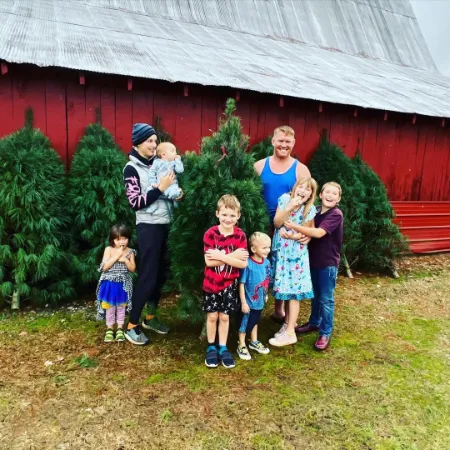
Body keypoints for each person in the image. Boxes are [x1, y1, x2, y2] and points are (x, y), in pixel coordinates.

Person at [123, 123, 178, 345]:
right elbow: (135, 202)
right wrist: (160, 188)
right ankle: (131, 325)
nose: (154, 145)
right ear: (137, 142)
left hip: (166, 223)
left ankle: (150, 317)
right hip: (148, 226)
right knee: (148, 275)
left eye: (156, 141)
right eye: (149, 141)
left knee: (161, 275)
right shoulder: (131, 168)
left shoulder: (159, 164)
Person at [254, 126, 311, 324]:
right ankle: (259, 308)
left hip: (287, 228)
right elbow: (249, 195)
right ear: (273, 141)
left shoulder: (300, 169)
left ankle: (283, 312)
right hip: (261, 225)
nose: (283, 145)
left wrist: (307, 231)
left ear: (293, 144)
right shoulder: (259, 166)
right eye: (280, 141)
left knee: (285, 268)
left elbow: (308, 202)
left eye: (288, 142)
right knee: (263, 267)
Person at [292, 182, 343, 351]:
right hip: (311, 261)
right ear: (320, 195)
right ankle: (314, 323)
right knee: (315, 296)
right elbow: (308, 228)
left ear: (339, 198)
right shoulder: (315, 211)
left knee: (326, 299)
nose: (330, 195)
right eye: (327, 192)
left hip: (327, 263)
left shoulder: (336, 214)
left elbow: (319, 232)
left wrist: (293, 226)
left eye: (334, 193)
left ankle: (325, 332)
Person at [268, 177, 318, 347]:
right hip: (281, 253)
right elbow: (277, 223)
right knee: (284, 289)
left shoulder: (309, 209)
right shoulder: (284, 200)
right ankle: (287, 324)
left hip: (296, 256)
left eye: (308, 189)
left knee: (293, 291)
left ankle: (290, 332)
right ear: (295, 188)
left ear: (311, 194)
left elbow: (307, 233)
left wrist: (293, 235)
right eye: (301, 187)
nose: (303, 191)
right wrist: (289, 207)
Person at [203, 195, 248, 369]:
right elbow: (209, 262)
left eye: (232, 215)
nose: (228, 219)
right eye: (224, 214)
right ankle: (211, 347)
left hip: (230, 285)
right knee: (213, 316)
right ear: (217, 214)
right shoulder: (210, 234)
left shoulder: (240, 236)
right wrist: (233, 256)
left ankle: (223, 347)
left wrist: (220, 256)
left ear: (238, 216)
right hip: (211, 283)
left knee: (225, 316)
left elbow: (243, 263)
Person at [96, 224, 136, 343]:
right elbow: (104, 267)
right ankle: (109, 328)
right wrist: (117, 255)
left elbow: (133, 269)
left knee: (121, 307)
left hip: (122, 284)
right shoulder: (109, 250)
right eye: (118, 239)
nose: (122, 242)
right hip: (109, 283)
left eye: (124, 238)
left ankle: (119, 328)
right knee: (109, 307)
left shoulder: (130, 252)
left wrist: (125, 260)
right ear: (113, 239)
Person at [237, 232, 271, 361]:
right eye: (264, 248)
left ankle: (254, 341)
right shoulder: (247, 264)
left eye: (268, 247)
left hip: (260, 300)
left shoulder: (267, 263)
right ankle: (241, 344)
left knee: (256, 319)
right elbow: (241, 284)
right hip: (248, 301)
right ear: (253, 249)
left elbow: (266, 279)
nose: (267, 250)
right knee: (245, 322)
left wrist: (266, 293)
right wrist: (243, 302)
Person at [147, 142, 184, 212]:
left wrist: (178, 160)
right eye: (173, 151)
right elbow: (151, 172)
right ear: (163, 154)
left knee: (175, 191)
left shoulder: (174, 163)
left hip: (171, 185)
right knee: (149, 190)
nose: (175, 153)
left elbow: (180, 170)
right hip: (159, 186)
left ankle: (175, 206)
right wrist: (153, 182)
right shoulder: (157, 162)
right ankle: (152, 206)